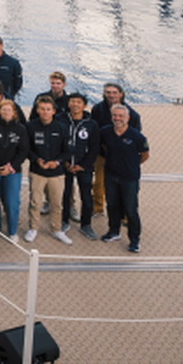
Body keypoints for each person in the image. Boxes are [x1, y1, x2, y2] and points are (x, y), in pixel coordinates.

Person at [98, 104, 148, 253]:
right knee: (112, 205)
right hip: (111, 175)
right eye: (115, 115)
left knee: (130, 210)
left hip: (129, 178)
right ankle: (114, 231)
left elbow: (145, 155)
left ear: (127, 118)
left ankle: (134, 240)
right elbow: (101, 148)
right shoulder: (105, 132)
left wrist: (132, 165)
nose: (117, 118)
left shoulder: (137, 137)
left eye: (120, 116)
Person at [26, 97, 72, 245]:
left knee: (57, 203)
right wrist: (36, 160)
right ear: (38, 110)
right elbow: (27, 149)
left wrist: (57, 162)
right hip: (37, 171)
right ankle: (33, 228)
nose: (45, 112)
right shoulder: (30, 126)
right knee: (35, 202)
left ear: (53, 111)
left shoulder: (62, 128)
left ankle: (56, 230)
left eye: (48, 109)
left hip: (56, 173)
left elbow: (68, 150)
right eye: (42, 109)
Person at [0, 100, 30, 247]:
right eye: (3, 110)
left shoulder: (21, 129)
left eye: (9, 110)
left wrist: (10, 167)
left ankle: (12, 231)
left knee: (12, 203)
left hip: (12, 171)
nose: (6, 112)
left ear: (14, 113)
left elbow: (23, 151)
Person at [61, 93, 100, 240]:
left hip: (84, 167)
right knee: (65, 195)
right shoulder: (61, 120)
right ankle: (64, 221)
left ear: (84, 105)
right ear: (68, 103)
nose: (75, 104)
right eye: (72, 101)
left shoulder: (91, 124)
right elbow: (58, 143)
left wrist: (82, 165)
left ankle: (86, 225)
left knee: (86, 197)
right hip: (65, 165)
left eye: (78, 102)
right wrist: (64, 162)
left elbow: (94, 148)